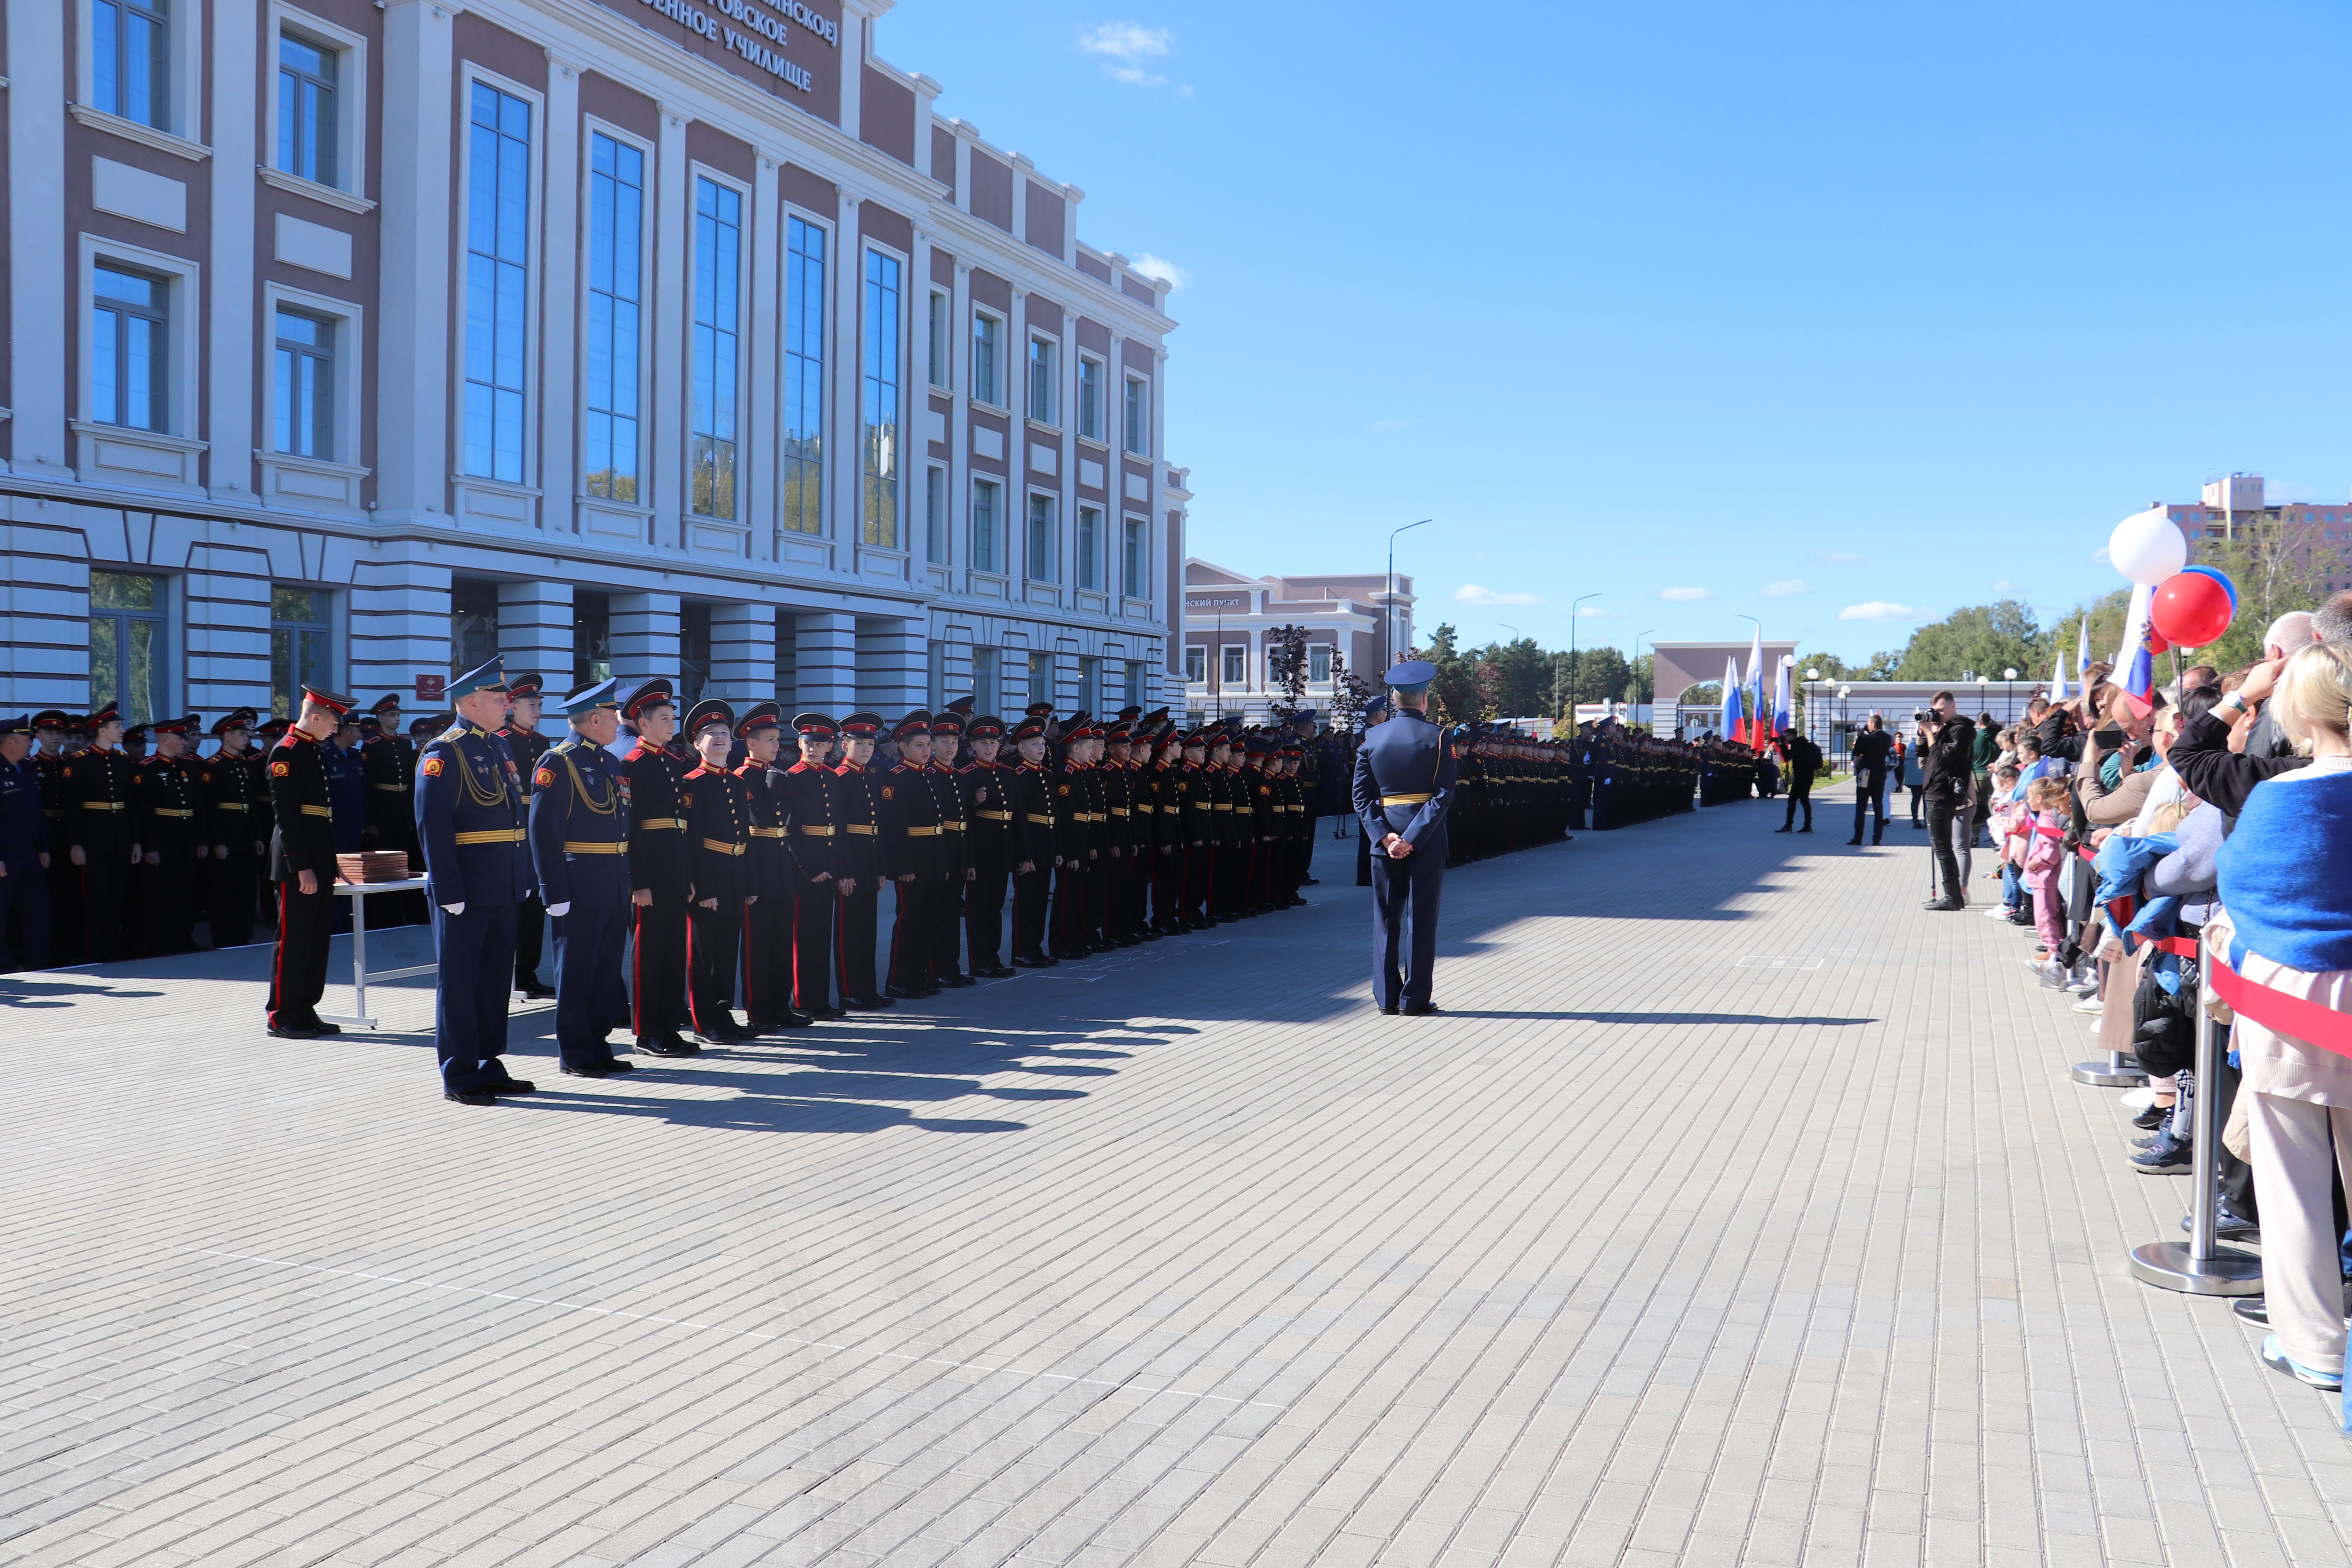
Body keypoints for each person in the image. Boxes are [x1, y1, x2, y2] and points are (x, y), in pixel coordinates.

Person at [2206, 643, 2352, 1390]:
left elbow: (2245, 889)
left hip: (2294, 999)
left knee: (2294, 1183)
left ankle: (2317, 1346)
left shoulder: (2284, 795)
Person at [416, 659, 535, 1105]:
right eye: (499, 697)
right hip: (465, 888)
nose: (508, 703)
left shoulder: (498, 748)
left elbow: (514, 818)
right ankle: (460, 1071)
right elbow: (434, 825)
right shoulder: (443, 752)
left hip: (502, 884)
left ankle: (489, 1062)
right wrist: (448, 888)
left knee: (493, 980)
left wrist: (521, 876)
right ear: (470, 702)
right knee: (461, 982)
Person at [525, 679, 636, 1078]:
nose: (618, 724)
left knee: (606, 973)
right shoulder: (559, 762)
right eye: (613, 717)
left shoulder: (608, 762)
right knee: (577, 972)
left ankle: (598, 1044)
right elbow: (543, 832)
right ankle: (574, 1051)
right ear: (594, 719)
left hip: (612, 883)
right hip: (579, 885)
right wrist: (553, 890)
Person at [1353, 660, 1457, 1015]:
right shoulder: (1440, 737)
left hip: (1384, 846)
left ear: (1394, 700)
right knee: (1421, 921)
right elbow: (1443, 795)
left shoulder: (1372, 737)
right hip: (1425, 842)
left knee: (1385, 920)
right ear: (1424, 700)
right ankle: (1414, 999)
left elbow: (1361, 797)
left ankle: (1385, 998)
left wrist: (1386, 838)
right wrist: (1411, 838)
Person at [264, 686, 352, 1038]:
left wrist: (328, 864)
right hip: (296, 862)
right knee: (294, 940)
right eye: (333, 721)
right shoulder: (286, 752)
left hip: (316, 860)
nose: (336, 729)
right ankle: (282, 1013)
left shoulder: (310, 750)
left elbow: (320, 817)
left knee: (317, 940)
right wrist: (302, 866)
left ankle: (305, 1008)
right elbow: (287, 816)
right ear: (316, 717)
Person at [622, 680, 695, 1057]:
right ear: (643, 724)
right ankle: (647, 1031)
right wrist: (639, 882)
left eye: (672, 718)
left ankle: (669, 1026)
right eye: (664, 719)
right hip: (650, 875)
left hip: (674, 874)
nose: (672, 724)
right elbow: (632, 829)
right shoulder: (632, 765)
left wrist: (687, 877)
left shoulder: (674, 763)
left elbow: (681, 828)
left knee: (672, 954)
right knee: (649, 956)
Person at [679, 698, 751, 1045]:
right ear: (697, 743)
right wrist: (704, 886)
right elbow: (693, 840)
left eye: (724, 733)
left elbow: (744, 838)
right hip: (710, 877)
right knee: (704, 955)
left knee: (726, 953)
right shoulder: (693, 783)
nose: (721, 738)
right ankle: (704, 1021)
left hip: (735, 875)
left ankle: (724, 1015)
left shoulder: (737, 783)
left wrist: (748, 881)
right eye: (711, 734)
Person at [775, 712, 847, 1016]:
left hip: (829, 864)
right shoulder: (792, 777)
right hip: (806, 870)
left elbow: (838, 827)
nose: (815, 749)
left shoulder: (831, 777)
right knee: (803, 938)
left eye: (821, 744)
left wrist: (839, 868)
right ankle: (803, 1000)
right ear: (800, 744)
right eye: (809, 743)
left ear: (830, 747)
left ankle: (820, 999)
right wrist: (812, 867)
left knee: (821, 937)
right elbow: (791, 830)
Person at [62, 706, 139, 964]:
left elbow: (130, 804)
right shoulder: (79, 761)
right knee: (95, 897)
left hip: (120, 838)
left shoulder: (123, 761)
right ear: (103, 731)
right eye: (118, 727)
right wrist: (76, 843)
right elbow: (72, 808)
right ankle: (94, 952)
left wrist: (135, 841)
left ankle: (112, 949)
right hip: (94, 839)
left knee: (117, 895)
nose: (123, 731)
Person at [880, 710, 945, 999]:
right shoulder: (896, 778)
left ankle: (922, 974)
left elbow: (939, 824)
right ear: (903, 747)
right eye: (919, 745)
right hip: (913, 860)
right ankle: (899, 979)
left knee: (930, 918)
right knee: (909, 919)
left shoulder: (930, 776)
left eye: (928, 745)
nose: (926, 750)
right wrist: (903, 865)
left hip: (932, 856)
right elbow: (894, 827)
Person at [500, 673, 556, 998]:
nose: (537, 710)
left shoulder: (542, 742)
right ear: (513, 707)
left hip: (537, 827)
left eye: (539, 705)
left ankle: (529, 971)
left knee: (535, 906)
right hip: (513, 829)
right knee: (516, 904)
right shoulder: (503, 739)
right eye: (531, 705)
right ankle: (512, 972)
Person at [831, 712, 890, 1009]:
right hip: (851, 864)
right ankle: (850, 991)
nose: (867, 749)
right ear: (845, 745)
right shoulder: (839, 778)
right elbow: (838, 830)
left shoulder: (869, 776)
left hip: (868, 863)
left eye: (870, 744)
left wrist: (879, 869)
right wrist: (844, 870)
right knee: (849, 932)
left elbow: (875, 828)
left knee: (868, 930)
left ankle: (868, 989)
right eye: (860, 743)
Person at [959, 714, 1018, 976]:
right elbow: (961, 819)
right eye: (983, 743)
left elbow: (1015, 817)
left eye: (993, 743)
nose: (988, 747)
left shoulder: (1008, 773)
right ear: (973, 746)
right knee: (978, 909)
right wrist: (974, 803)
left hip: (1002, 849)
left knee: (995, 908)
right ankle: (979, 961)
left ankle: (993, 958)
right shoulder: (966, 775)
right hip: (981, 850)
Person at [200, 711, 265, 949]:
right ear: (227, 736)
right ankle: (223, 937)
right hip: (227, 836)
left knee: (246, 888)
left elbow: (252, 804)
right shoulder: (214, 766)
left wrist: (257, 836)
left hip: (245, 835)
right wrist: (218, 841)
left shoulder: (245, 765)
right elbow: (211, 809)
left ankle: (242, 934)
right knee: (224, 889)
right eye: (242, 734)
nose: (247, 738)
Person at [1004, 716, 1059, 966]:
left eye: (1043, 744)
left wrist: (1056, 849)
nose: (1041, 748)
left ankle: (1036, 947)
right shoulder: (1019, 776)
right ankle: (1022, 951)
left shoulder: (1047, 775)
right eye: (1035, 744)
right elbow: (1020, 820)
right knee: (1026, 903)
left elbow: (1052, 818)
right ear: (1021, 748)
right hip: (1030, 847)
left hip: (1045, 845)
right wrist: (1024, 855)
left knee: (1039, 904)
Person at [0, 715, 53, 971]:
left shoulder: (28, 768)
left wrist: (43, 847)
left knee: (38, 910)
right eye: (26, 739)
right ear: (9, 742)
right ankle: (4, 964)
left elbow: (38, 811)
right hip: (5, 854)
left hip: (29, 852)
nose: (31, 743)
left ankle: (36, 960)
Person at [1918, 693, 1977, 910]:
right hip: (1936, 790)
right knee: (1942, 847)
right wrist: (1924, 734)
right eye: (1936, 710)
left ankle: (1952, 897)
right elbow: (1923, 754)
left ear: (1954, 706)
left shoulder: (1959, 730)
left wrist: (1931, 735)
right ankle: (1954, 896)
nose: (1938, 714)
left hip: (1943, 793)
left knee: (1942, 847)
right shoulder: (1945, 727)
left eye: (1942, 710)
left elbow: (1942, 759)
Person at [1848, 715, 1893, 845]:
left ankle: (1858, 838)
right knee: (1878, 808)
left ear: (1873, 725)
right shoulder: (1887, 738)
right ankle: (1877, 839)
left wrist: (1861, 738)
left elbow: (1857, 752)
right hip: (1880, 776)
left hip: (1866, 776)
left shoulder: (1868, 739)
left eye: (1868, 724)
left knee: (1861, 808)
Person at [1773, 730, 1823, 833]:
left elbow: (1787, 758)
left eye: (1786, 736)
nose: (1785, 738)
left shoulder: (1797, 745)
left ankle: (1789, 825)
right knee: (1805, 800)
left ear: (1792, 736)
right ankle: (1808, 826)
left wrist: (1782, 746)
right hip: (1808, 776)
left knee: (1792, 800)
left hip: (1801, 777)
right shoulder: (1803, 743)